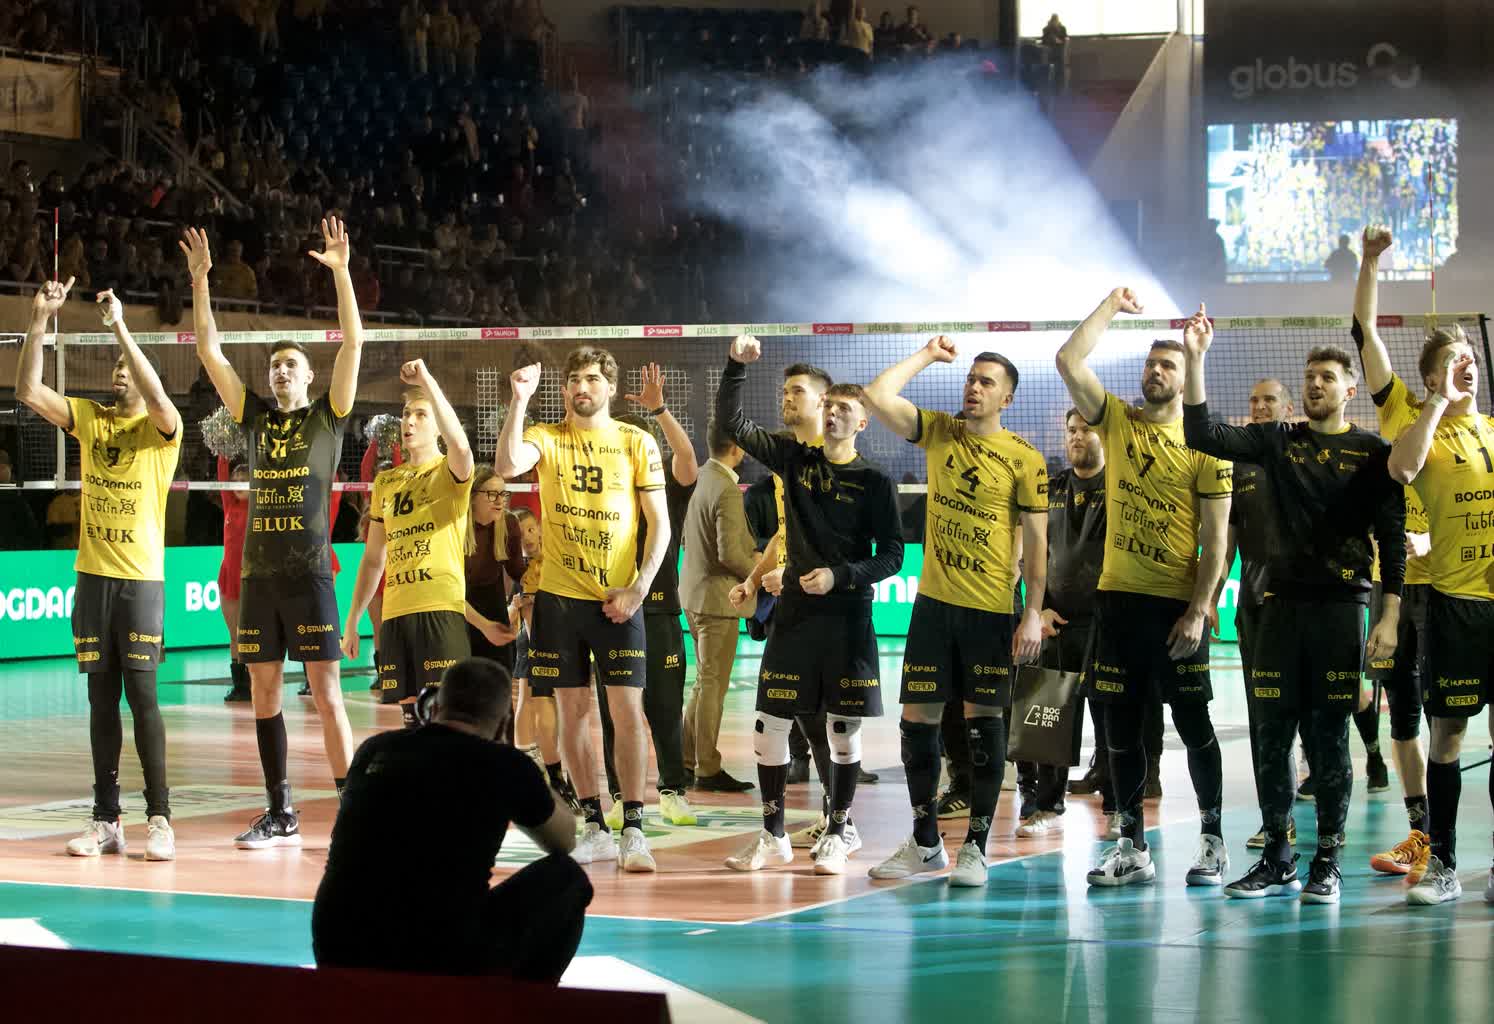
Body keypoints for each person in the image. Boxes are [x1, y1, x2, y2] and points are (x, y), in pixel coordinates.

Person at [1183, 311, 1405, 904]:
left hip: (1340, 611)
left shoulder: (1373, 453)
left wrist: (1388, 615)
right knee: (1271, 736)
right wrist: (1197, 357)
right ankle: (1278, 858)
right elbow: (1202, 434)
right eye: (1310, 377)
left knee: (1329, 739)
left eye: (1328, 377)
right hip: (1277, 611)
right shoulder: (1277, 441)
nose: (1316, 385)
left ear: (1350, 389)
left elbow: (1392, 541)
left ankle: (1327, 860)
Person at [184, 220, 363, 848]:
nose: (281, 371)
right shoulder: (255, 417)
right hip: (259, 576)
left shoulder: (329, 416)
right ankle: (280, 812)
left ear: (309, 377)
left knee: (327, 692)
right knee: (263, 690)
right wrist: (201, 283)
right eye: (275, 365)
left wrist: (341, 272)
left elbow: (353, 343)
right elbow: (210, 352)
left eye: (291, 364)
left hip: (309, 575)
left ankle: (352, 810)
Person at [1055, 288, 1233, 888]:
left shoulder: (1207, 446)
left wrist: (1199, 607)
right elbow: (1068, 360)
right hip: (1117, 603)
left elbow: (1216, 539)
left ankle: (1212, 840)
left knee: (1194, 725)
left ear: (1185, 379)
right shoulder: (1118, 422)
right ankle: (1130, 844)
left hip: (1174, 608)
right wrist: (1109, 305)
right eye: (1151, 364)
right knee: (1119, 729)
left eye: (1168, 365)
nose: (1155, 372)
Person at [855, 336, 1046, 886]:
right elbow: (876, 394)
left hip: (989, 611)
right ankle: (925, 843)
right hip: (934, 608)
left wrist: (1032, 611)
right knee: (917, 723)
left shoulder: (1025, 459)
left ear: (1007, 398)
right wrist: (927, 356)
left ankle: (976, 848)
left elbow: (1037, 545)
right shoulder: (941, 432)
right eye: (971, 378)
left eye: (987, 382)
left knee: (984, 725)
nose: (974, 387)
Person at [719, 336, 902, 876]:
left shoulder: (875, 482)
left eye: (845, 408)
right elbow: (733, 423)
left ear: (862, 422)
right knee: (768, 725)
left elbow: (892, 555)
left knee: (842, 731)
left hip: (847, 620)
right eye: (829, 406)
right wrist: (735, 366)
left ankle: (839, 830)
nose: (834, 413)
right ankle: (772, 834)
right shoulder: (794, 459)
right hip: (795, 618)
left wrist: (840, 576)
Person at [16, 277, 180, 862]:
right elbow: (28, 389)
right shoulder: (91, 418)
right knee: (100, 700)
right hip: (93, 579)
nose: (118, 371)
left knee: (144, 697)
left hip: (141, 582)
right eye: (114, 366)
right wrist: (40, 318)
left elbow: (159, 399)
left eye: (127, 367)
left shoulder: (162, 431)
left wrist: (120, 328)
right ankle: (106, 819)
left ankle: (160, 818)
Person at [495, 346, 671, 873]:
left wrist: (637, 589)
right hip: (558, 598)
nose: (581, 387)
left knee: (627, 711)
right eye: (574, 379)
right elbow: (506, 466)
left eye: (592, 378)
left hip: (616, 599)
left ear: (610, 387)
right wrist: (519, 399)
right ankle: (594, 824)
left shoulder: (636, 441)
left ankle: (634, 827)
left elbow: (660, 526)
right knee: (572, 711)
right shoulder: (548, 437)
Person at [312, 657, 590, 981]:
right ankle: (523, 1002)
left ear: (434, 707)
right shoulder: (504, 765)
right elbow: (564, 840)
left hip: (338, 945)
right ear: (503, 722)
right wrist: (521, 766)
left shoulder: (375, 749)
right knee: (567, 878)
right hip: (439, 953)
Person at [1386, 325, 1494, 906]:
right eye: (1453, 360)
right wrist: (1437, 401)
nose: (1466, 366)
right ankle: (1444, 865)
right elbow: (1402, 470)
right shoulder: (1426, 432)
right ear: (1432, 377)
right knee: (1447, 734)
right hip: (1455, 606)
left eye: (1469, 358)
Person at [1351, 227, 1440, 884]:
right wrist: (1370, 262)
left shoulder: (1484, 433)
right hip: (1399, 590)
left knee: (1453, 721)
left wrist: (1438, 542)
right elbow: (1365, 334)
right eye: (1451, 361)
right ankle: (1421, 834)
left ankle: (1450, 842)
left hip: (1461, 589)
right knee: (1403, 718)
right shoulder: (1402, 409)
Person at [343, 360, 476, 732]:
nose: (409, 422)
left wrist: (427, 380)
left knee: (447, 718)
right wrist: (353, 619)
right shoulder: (386, 482)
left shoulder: (450, 471)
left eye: (420, 414)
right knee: (410, 722)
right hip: (396, 614)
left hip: (439, 609)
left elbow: (461, 445)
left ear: (437, 426)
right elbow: (373, 559)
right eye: (405, 414)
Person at [595, 364, 700, 828]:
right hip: (611, 616)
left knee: (665, 709)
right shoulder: (600, 493)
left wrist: (659, 411)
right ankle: (621, 797)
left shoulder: (665, 492)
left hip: (658, 614)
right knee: (614, 713)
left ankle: (673, 791)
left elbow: (688, 460)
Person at [1020, 407, 1108, 839]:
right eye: (1072, 430)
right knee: (1046, 719)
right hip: (1055, 620)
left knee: (1110, 721)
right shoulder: (1050, 488)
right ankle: (1046, 805)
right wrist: (1037, 609)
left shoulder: (1121, 488)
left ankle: (1118, 806)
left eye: (1086, 430)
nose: (1077, 437)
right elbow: (1029, 553)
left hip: (1105, 622)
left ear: (1104, 436)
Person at [680, 417, 760, 797]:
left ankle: (687, 759)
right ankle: (707, 767)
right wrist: (760, 571)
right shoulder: (726, 488)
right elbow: (730, 553)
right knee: (713, 685)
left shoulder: (700, 478)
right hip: (718, 600)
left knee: (704, 682)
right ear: (737, 448)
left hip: (694, 594)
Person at [464, 466, 525, 679]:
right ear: (472, 497)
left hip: (493, 604)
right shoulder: (456, 525)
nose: (500, 500)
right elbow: (448, 591)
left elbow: (518, 571)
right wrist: (483, 625)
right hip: (460, 606)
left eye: (503, 493)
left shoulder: (509, 523)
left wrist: (542, 575)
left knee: (499, 680)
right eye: (491, 494)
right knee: (464, 682)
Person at [218, 455, 252, 702]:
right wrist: (223, 451)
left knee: (252, 633)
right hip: (229, 576)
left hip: (252, 577)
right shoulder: (230, 504)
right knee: (235, 634)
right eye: (235, 480)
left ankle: (256, 681)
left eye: (244, 480)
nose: (238, 485)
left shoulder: (260, 507)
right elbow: (222, 473)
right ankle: (240, 686)